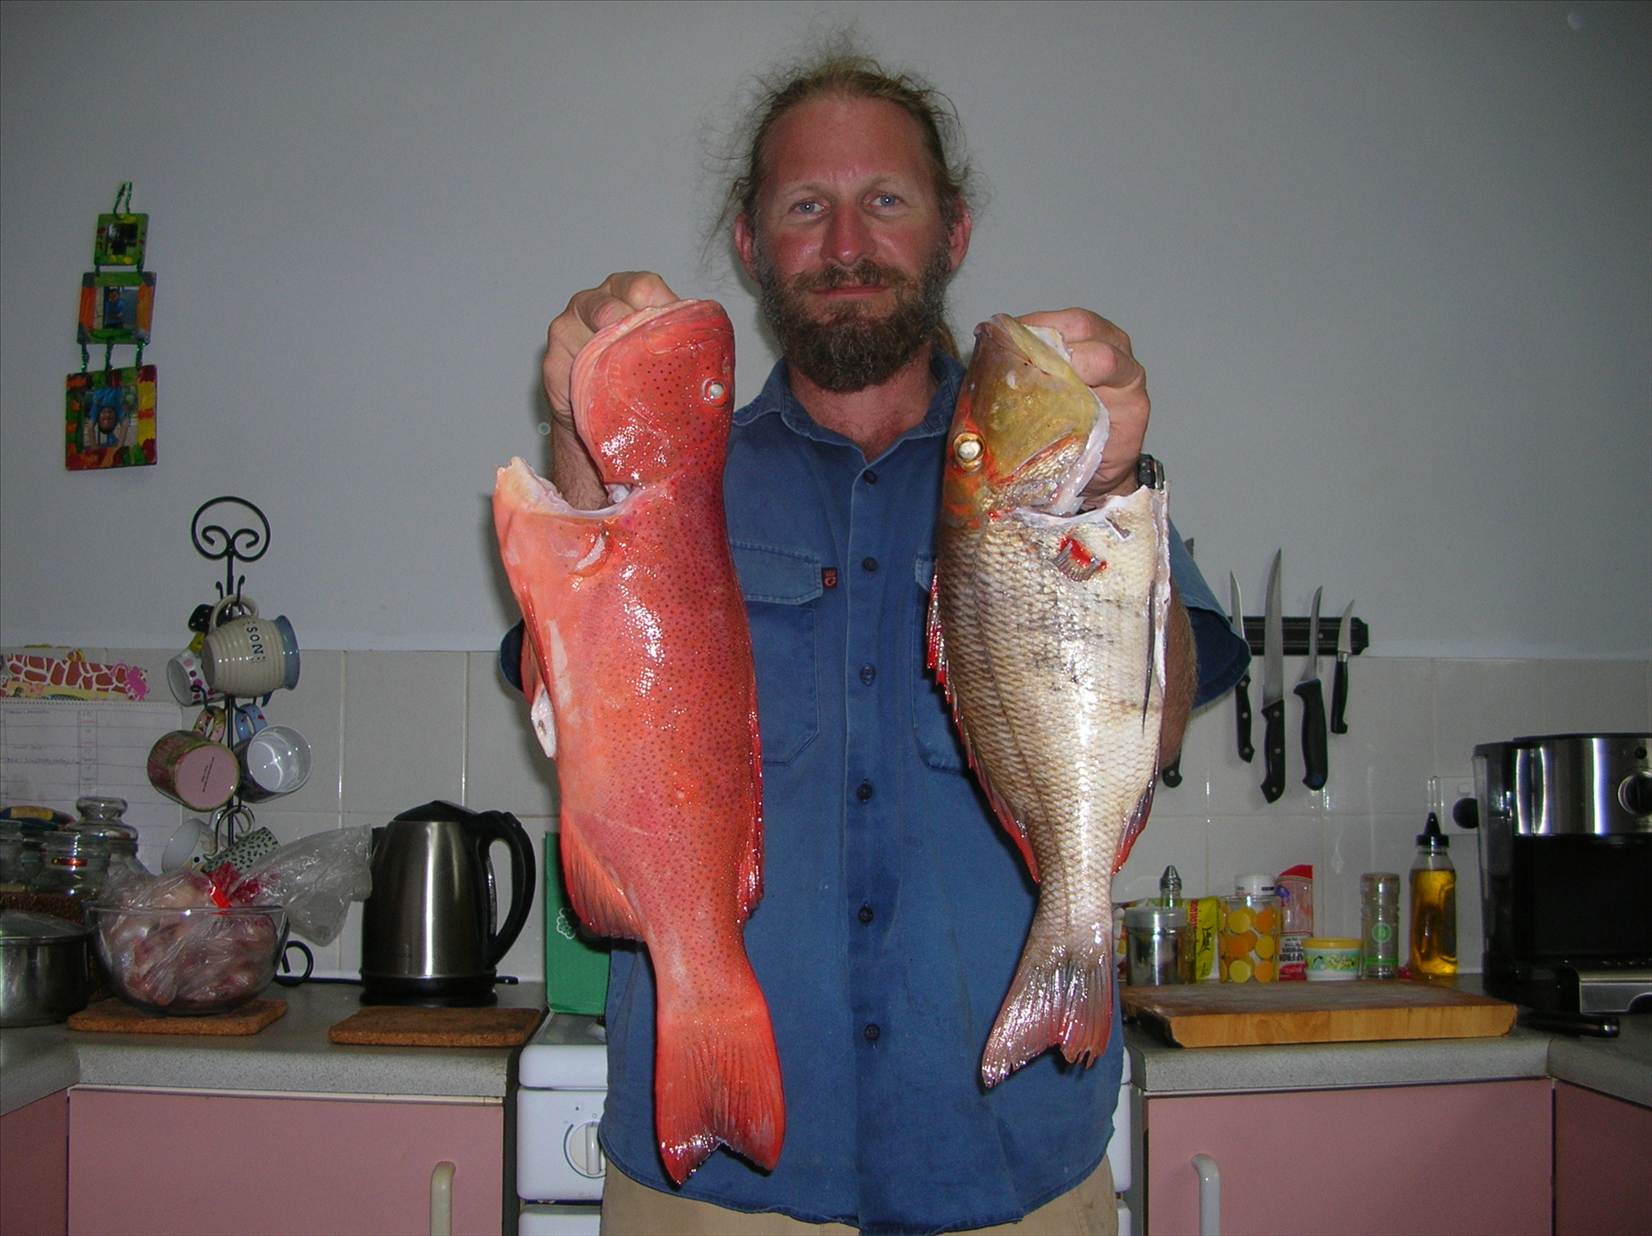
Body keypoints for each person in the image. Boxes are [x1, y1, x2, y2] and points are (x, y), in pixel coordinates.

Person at [514, 45, 1249, 1236]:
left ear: (952, 231)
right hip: (710, 1187)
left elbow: (1151, 724)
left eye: (886, 200)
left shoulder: (1048, 474)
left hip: (1007, 1176)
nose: (846, 243)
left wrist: (1111, 485)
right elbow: (575, 698)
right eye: (805, 206)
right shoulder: (681, 473)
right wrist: (584, 437)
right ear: (750, 243)